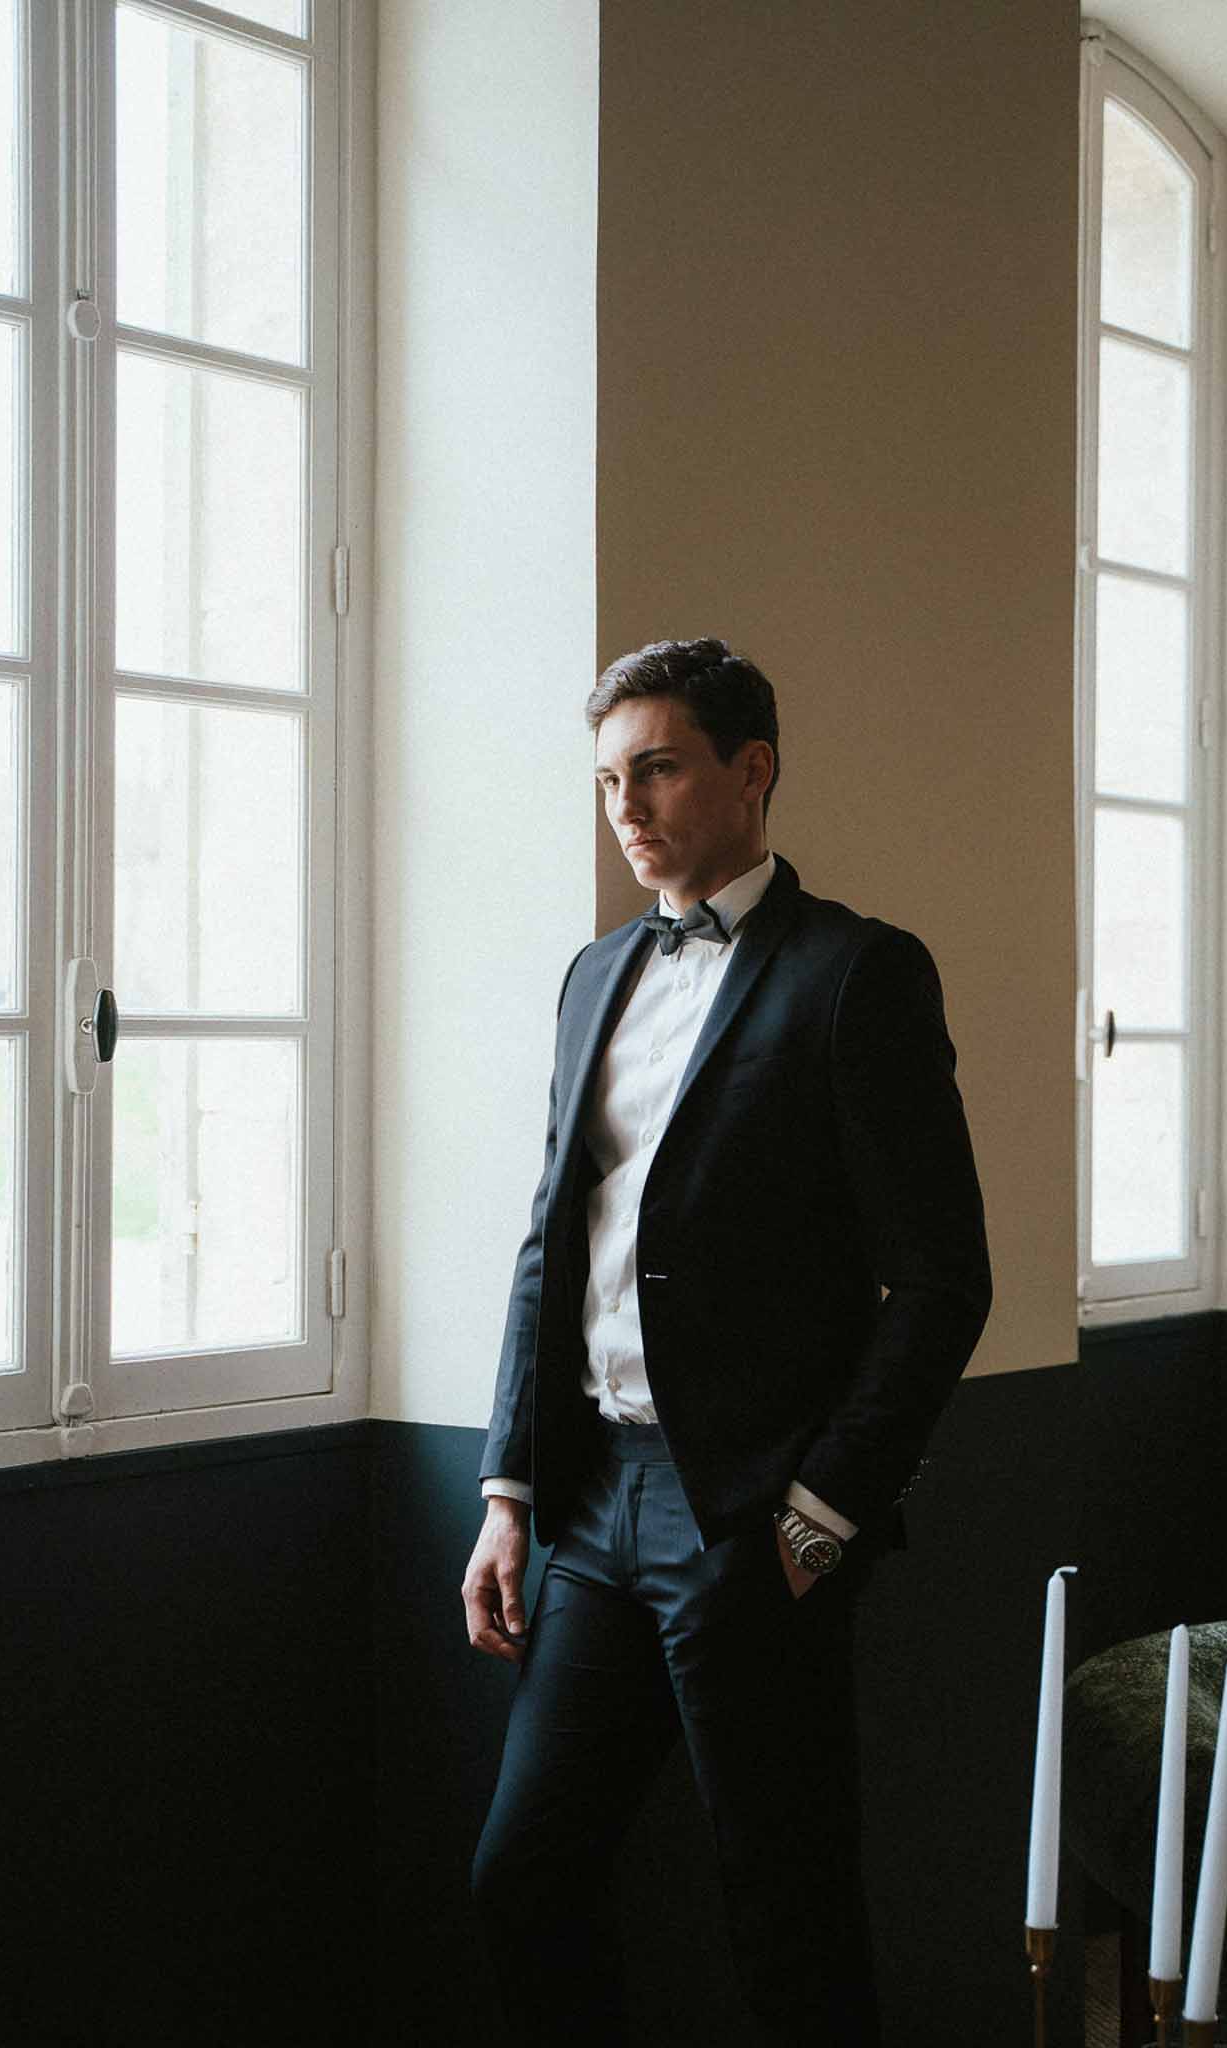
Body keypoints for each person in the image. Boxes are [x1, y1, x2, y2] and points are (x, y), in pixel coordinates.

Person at [461, 636, 992, 2044]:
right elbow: (548, 1244)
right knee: (523, 1874)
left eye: (656, 768)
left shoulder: (856, 974)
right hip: (586, 1508)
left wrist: (820, 1513)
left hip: (750, 1515)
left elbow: (941, 1280)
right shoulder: (592, 976)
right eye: (605, 780)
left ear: (748, 772)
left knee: (785, 1906)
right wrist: (508, 1490)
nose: (626, 805)